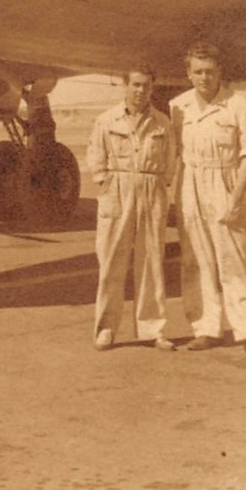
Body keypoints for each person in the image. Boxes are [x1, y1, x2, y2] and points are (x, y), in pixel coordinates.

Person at [169, 42, 246, 359]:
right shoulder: (179, 106)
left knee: (235, 260)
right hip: (190, 183)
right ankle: (205, 327)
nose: (204, 78)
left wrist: (236, 197)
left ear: (220, 72)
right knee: (194, 260)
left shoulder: (240, 105)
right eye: (197, 72)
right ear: (188, 74)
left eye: (209, 72)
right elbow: (174, 153)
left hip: (225, 182)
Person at [87, 65, 177, 351]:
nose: (140, 91)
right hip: (117, 188)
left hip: (151, 189)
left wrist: (159, 185)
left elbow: (170, 160)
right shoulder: (106, 120)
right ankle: (106, 329)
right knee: (111, 262)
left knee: (151, 262)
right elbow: (95, 156)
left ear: (152, 89)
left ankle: (152, 329)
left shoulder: (162, 122)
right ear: (125, 85)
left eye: (146, 86)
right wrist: (106, 183)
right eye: (135, 85)